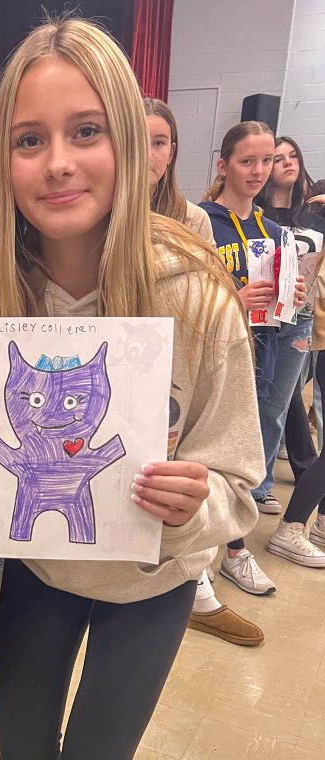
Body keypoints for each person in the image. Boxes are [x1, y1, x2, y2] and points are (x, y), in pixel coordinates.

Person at [0, 16, 264, 760]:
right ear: (5, 160)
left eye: (86, 131)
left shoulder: (196, 289)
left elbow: (241, 481)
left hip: (153, 575)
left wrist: (198, 500)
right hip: (45, 567)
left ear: (135, 149)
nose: (58, 162)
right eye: (31, 139)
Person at [145, 97, 263, 645]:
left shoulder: (188, 218)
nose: (149, 152)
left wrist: (234, 301)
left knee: (181, 474)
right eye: (138, 137)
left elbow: (205, 293)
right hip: (120, 360)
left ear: (173, 152)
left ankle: (200, 584)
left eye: (161, 141)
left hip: (175, 360)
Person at [200, 123, 308, 593]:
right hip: (212, 351)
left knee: (255, 442)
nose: (260, 171)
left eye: (266, 161)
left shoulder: (273, 228)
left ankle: (236, 550)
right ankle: (203, 552)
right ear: (223, 165)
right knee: (208, 447)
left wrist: (293, 292)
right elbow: (185, 299)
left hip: (265, 347)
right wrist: (233, 299)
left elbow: (279, 301)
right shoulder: (201, 221)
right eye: (248, 161)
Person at [256, 137, 325, 566]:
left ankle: (261, 486)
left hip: (301, 318)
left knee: (281, 405)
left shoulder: (315, 211)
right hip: (262, 318)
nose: (284, 164)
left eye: (289, 157)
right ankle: (253, 485)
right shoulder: (258, 212)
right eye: (274, 159)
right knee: (256, 401)